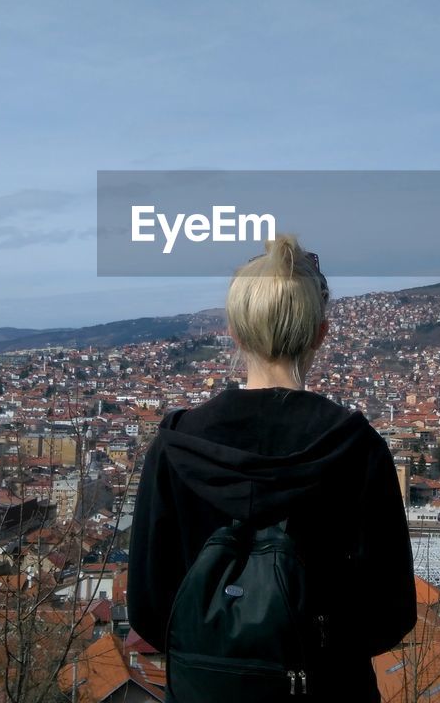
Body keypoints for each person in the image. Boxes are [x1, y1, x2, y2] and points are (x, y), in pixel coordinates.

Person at [128, 235, 417, 702]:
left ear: (235, 333)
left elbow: (148, 608)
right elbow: (391, 615)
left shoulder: (176, 446)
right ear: (320, 334)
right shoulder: (357, 448)